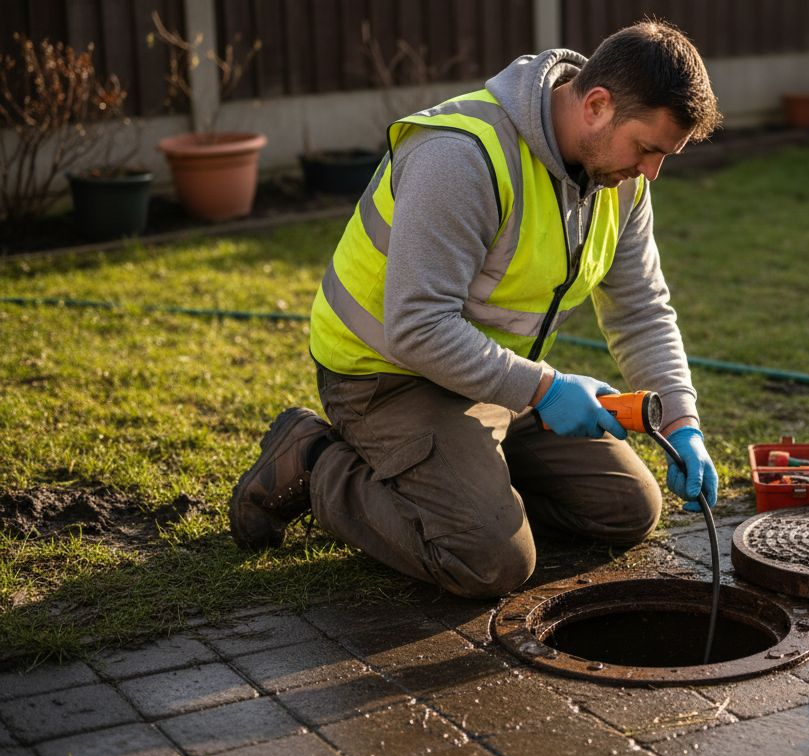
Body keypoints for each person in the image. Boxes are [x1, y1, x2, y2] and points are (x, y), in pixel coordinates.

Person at [227, 20, 721, 599]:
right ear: (596, 105)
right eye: (647, 149)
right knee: (489, 559)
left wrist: (682, 423)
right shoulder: (459, 155)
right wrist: (544, 389)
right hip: (384, 376)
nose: (651, 172)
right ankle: (314, 462)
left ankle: (464, 481)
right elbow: (416, 328)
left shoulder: (620, 182)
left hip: (494, 379)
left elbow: (640, 308)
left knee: (627, 508)